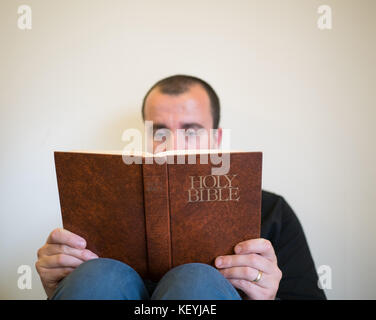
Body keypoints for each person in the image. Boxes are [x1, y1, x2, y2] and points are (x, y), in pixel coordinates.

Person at [36, 75, 326, 300]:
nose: (173, 145)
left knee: (196, 281)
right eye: (160, 132)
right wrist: (62, 287)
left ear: (217, 138)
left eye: (191, 131)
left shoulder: (273, 212)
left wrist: (269, 297)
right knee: (99, 277)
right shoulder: (97, 208)